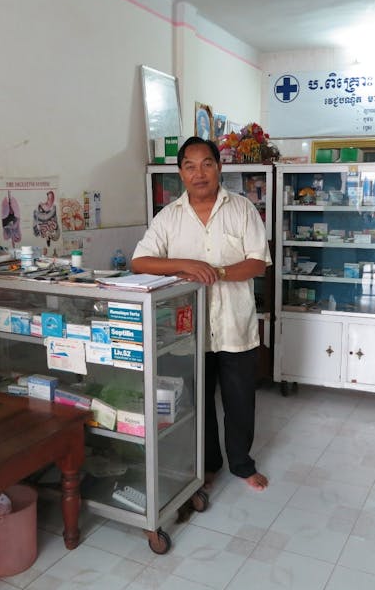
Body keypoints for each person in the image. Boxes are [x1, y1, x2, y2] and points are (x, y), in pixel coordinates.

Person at [131, 136, 271, 491]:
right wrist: (186, 264)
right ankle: (208, 465)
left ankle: (242, 464)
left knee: (240, 401)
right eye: (190, 166)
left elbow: (257, 263)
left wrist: (217, 272)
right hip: (188, 328)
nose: (199, 173)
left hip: (235, 325)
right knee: (198, 402)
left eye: (207, 164)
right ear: (180, 173)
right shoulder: (168, 217)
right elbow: (140, 261)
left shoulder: (242, 209)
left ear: (218, 167)